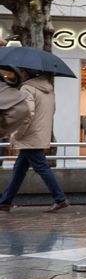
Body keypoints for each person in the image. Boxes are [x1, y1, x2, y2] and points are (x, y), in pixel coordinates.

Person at [0, 68, 69, 212]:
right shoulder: (49, 89)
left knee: (41, 167)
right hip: (39, 134)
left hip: (28, 136)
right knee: (19, 169)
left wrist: (16, 134)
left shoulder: (27, 89)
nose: (18, 74)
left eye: (21, 72)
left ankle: (60, 198)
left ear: (26, 74)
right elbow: (51, 111)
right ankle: (5, 201)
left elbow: (26, 115)